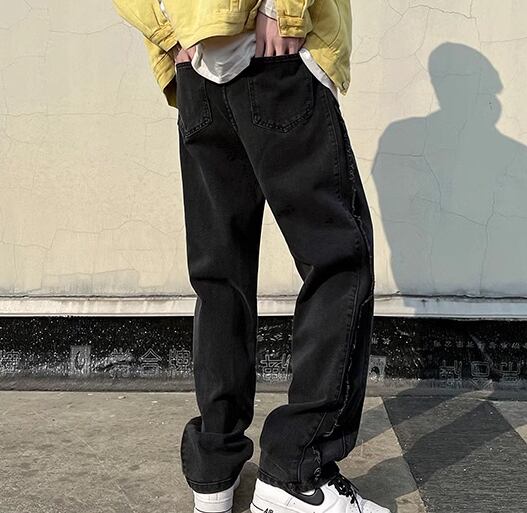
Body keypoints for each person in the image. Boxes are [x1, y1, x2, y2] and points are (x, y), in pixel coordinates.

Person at [111, 2, 390, 513]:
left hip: (197, 69)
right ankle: (297, 473)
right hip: (272, 59)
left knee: (220, 274)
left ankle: (214, 469)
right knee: (337, 262)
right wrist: (283, 10)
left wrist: (169, 35)